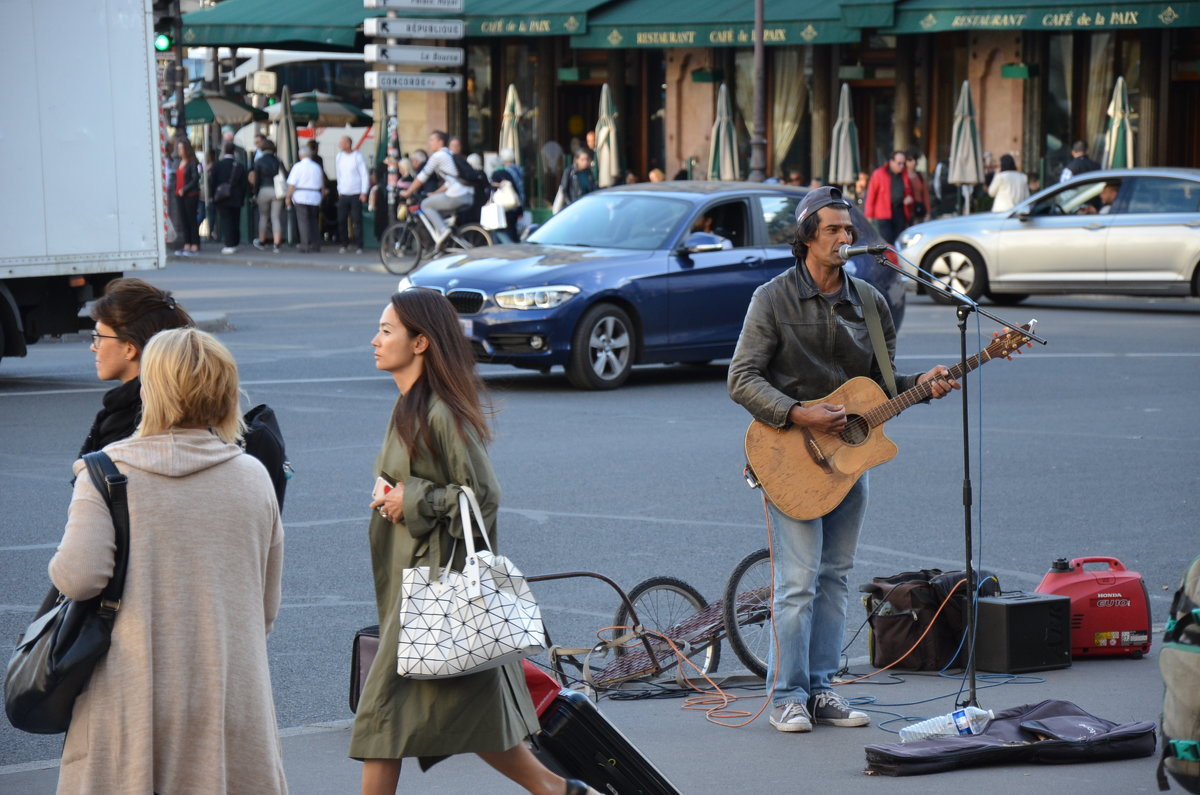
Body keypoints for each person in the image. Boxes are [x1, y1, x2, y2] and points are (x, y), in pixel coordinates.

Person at [727, 186, 959, 734]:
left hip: (850, 463)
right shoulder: (773, 299)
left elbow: (880, 390)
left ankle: (823, 689)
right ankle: (787, 695)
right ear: (807, 236)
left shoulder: (871, 304)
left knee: (834, 578)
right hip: (790, 456)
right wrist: (798, 413)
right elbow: (741, 378)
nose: (845, 238)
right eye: (832, 229)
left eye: (849, 230)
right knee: (799, 581)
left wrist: (920, 385)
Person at [351, 290, 598, 795]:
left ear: (421, 342)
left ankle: (559, 791)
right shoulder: (410, 406)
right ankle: (560, 791)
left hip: (434, 586)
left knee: (380, 720)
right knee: (469, 711)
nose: (375, 340)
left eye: (387, 330)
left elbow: (482, 496)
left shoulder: (440, 412)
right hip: (417, 583)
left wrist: (412, 499)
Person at [51, 327, 287, 793]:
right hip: (226, 688)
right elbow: (265, 604)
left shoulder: (106, 471)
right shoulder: (252, 475)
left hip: (130, 687)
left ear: (151, 389)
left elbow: (77, 578)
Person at [78, 278, 193, 458]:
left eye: (98, 337)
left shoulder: (128, 419)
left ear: (129, 349)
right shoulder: (190, 399)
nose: (93, 347)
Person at [401, 130, 474, 243]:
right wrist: (434, 194)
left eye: (432, 140)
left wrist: (408, 192)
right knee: (436, 211)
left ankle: (443, 231)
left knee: (425, 205)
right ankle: (444, 244)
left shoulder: (438, 156)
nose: (429, 143)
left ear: (440, 142)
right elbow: (449, 182)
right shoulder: (450, 154)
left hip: (457, 194)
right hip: (467, 194)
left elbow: (422, 176)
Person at [864, 151, 913, 245]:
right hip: (883, 214)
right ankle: (888, 259)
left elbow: (909, 192)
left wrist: (909, 199)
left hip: (900, 212)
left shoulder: (905, 175)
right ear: (891, 162)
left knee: (899, 241)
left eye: (903, 163)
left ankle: (896, 259)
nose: (902, 166)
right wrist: (869, 215)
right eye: (899, 163)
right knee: (886, 242)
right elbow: (871, 195)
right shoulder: (879, 174)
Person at [287, 145, 325, 253]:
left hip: (301, 195)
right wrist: (321, 197)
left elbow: (292, 185)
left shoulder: (297, 167)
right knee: (313, 220)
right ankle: (316, 244)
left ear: (300, 155)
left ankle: (305, 245)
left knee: (303, 221)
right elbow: (322, 185)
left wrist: (288, 197)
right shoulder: (317, 167)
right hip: (315, 196)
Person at [336, 135, 370, 254]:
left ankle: (359, 244)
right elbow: (339, 174)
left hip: (356, 192)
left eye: (342, 142)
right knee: (342, 219)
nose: (340, 145)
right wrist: (339, 190)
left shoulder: (357, 156)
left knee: (357, 220)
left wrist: (364, 191)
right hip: (344, 193)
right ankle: (344, 243)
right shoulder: (339, 157)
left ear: (348, 144)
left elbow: (364, 175)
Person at [250, 139, 285, 252]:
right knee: (275, 217)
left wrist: (255, 193)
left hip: (264, 190)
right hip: (277, 191)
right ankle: (276, 244)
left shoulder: (259, 161)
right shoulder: (278, 160)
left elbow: (257, 180)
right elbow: (285, 175)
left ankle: (262, 241)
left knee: (263, 216)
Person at [212, 141, 247, 254]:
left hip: (222, 197)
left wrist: (213, 196)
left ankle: (229, 244)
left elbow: (212, 182)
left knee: (226, 220)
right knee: (235, 220)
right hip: (236, 197)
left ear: (223, 151)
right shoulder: (239, 165)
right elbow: (243, 184)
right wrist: (241, 197)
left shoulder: (217, 165)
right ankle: (235, 242)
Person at [172, 137, 202, 254]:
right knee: (184, 220)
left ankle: (195, 243)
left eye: (181, 148)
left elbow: (195, 179)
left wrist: (185, 189)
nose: (179, 151)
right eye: (178, 148)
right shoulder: (179, 162)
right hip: (179, 194)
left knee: (191, 219)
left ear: (186, 149)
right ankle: (187, 243)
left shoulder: (192, 162)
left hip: (190, 194)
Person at [490, 156, 524, 243]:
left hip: (502, 208)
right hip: (513, 206)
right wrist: (520, 210)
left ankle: (510, 248)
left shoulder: (495, 174)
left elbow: (493, 191)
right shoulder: (508, 173)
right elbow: (516, 191)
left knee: (500, 232)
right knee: (512, 231)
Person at [904, 148, 931, 224]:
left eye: (915, 159)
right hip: (905, 211)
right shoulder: (902, 177)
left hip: (918, 210)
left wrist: (928, 212)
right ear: (905, 162)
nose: (913, 162)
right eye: (910, 160)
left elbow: (925, 195)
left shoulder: (920, 176)